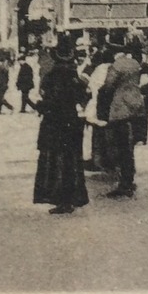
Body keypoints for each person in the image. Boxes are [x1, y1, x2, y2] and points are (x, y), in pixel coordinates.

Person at [33, 41, 91, 214]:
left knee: (55, 160)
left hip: (54, 123)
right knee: (71, 160)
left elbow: (48, 100)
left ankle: (60, 199)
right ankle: (72, 197)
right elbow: (84, 96)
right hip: (71, 122)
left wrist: (40, 106)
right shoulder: (75, 77)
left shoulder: (51, 77)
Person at [101, 41, 145, 197]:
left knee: (120, 146)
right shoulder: (134, 64)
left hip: (120, 108)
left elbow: (108, 86)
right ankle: (129, 179)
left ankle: (124, 183)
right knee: (129, 146)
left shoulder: (116, 66)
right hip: (136, 104)